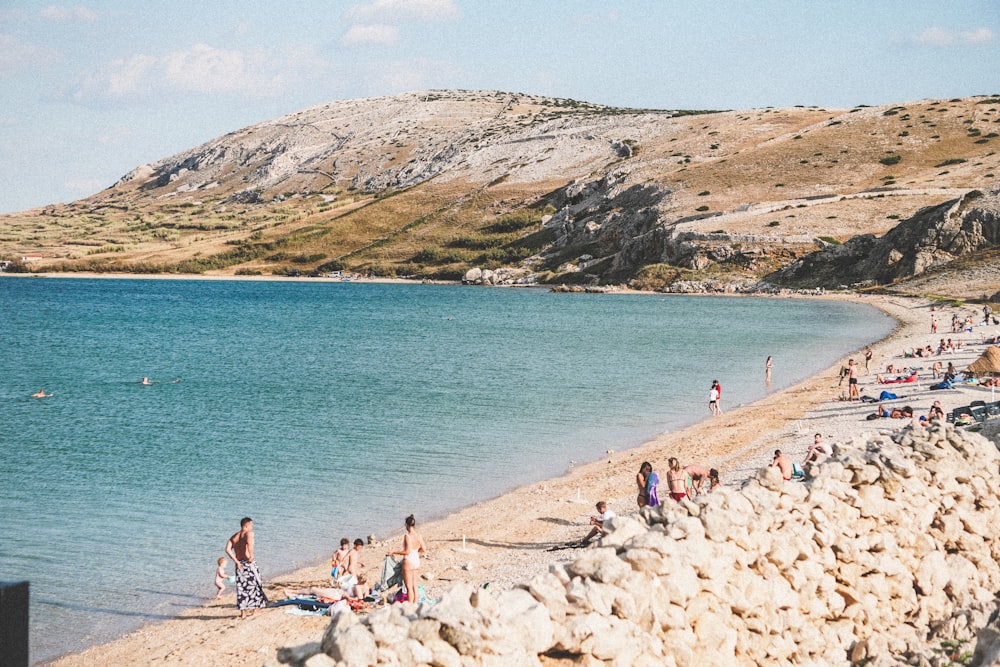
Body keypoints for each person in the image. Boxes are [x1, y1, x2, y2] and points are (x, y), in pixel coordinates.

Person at [225, 517, 268, 618]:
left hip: (239, 564)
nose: (252, 527)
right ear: (246, 525)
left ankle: (243, 613)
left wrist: (236, 561)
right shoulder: (249, 533)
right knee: (255, 585)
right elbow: (250, 545)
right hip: (248, 563)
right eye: (251, 525)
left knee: (241, 588)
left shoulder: (234, 536)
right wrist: (252, 556)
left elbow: (227, 549)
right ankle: (255, 610)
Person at [388, 515, 426, 603]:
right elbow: (424, 549)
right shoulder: (419, 535)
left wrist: (393, 552)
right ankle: (415, 604)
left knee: (409, 587)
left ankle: (410, 607)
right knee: (414, 586)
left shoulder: (407, 536)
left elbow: (407, 551)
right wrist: (416, 552)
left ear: (406, 525)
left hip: (408, 561)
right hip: (416, 560)